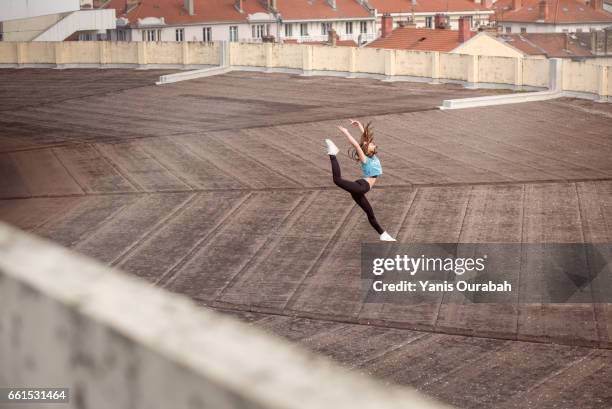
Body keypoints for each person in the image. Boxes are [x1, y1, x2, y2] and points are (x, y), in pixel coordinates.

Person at [325, 119, 396, 241]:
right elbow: (357, 145)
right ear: (367, 150)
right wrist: (346, 132)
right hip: (362, 187)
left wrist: (360, 126)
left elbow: (365, 140)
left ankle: (383, 234)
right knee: (337, 180)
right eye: (371, 145)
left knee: (370, 214)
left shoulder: (372, 157)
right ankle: (333, 153)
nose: (373, 144)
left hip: (360, 188)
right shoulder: (365, 159)